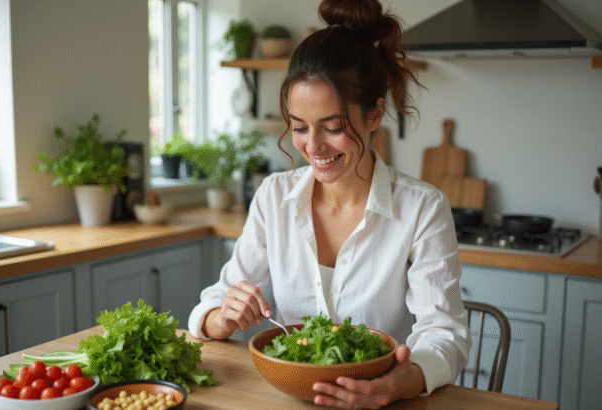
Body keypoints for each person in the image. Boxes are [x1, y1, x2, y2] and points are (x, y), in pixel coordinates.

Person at [189, 0, 470, 408]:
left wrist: (396, 384)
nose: (314, 148)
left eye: (333, 128)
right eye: (299, 128)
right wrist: (223, 317)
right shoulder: (273, 197)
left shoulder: (422, 209)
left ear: (374, 114)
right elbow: (217, 301)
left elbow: (445, 333)